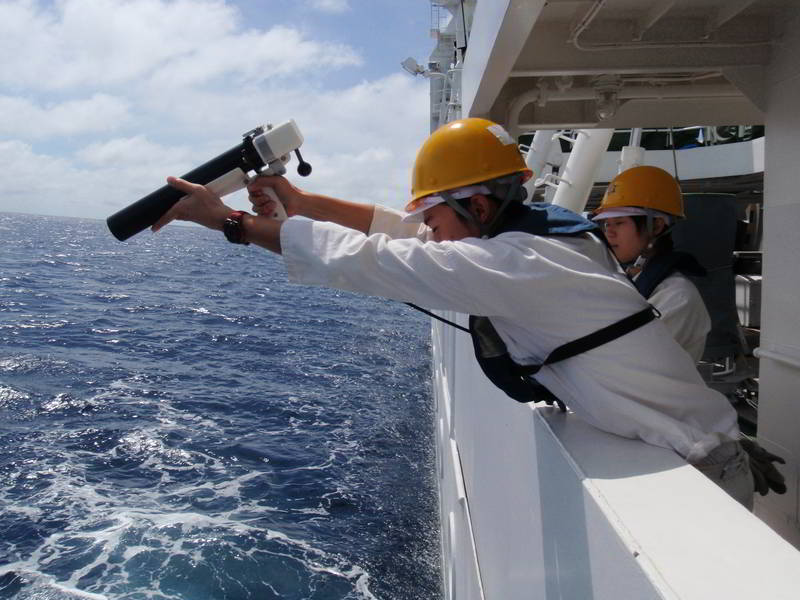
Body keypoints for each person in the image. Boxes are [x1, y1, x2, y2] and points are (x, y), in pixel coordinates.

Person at [151, 117, 754, 508]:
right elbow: (406, 232)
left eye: (435, 213)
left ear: (479, 207)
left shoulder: (521, 265)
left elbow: (372, 259)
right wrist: (303, 203)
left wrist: (229, 222)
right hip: (691, 447)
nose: (429, 228)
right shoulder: (547, 238)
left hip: (697, 467)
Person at [591, 166, 711, 362]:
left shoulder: (678, 296)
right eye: (606, 224)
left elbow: (626, 361)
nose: (609, 232)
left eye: (619, 223)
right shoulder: (633, 280)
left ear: (655, 225)